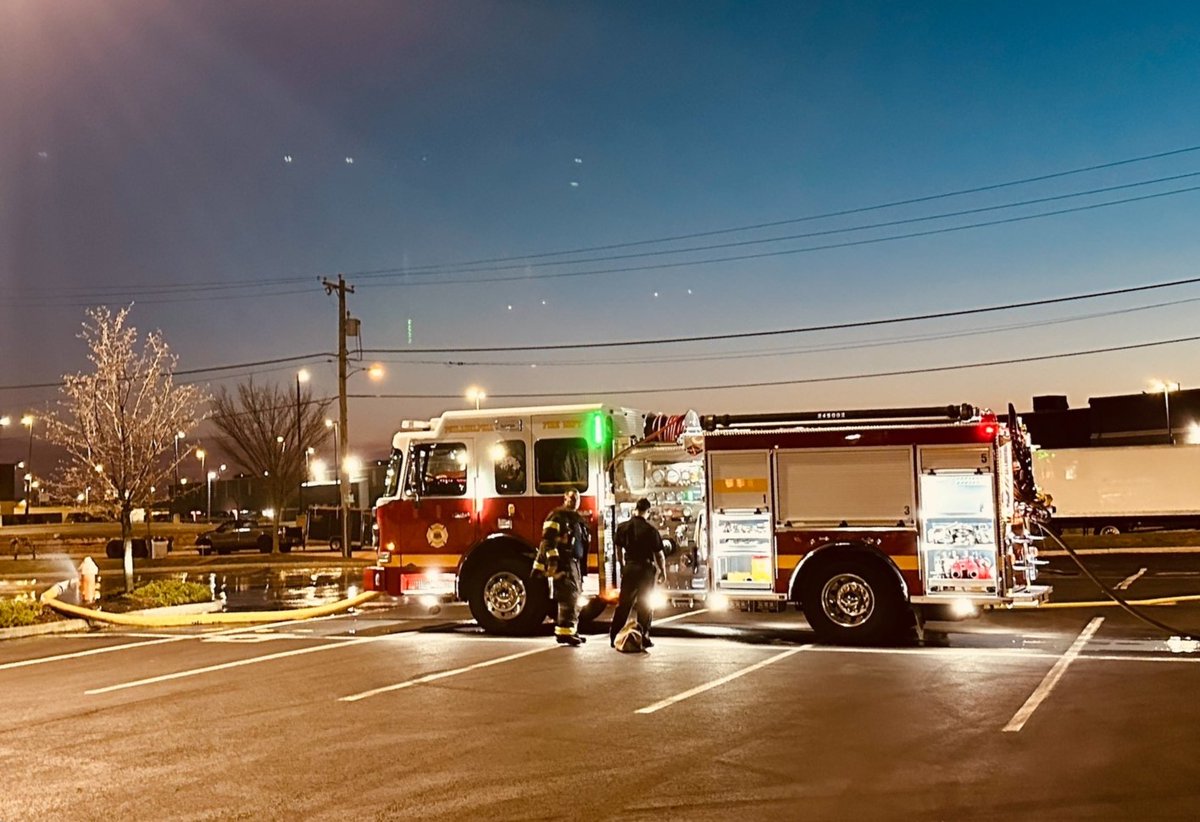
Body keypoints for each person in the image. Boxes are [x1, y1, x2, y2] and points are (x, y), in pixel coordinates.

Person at [533, 488, 590, 646]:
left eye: (577, 499)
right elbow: (548, 541)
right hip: (564, 562)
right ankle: (564, 633)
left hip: (574, 563)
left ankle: (571, 630)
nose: (574, 502)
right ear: (564, 499)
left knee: (575, 598)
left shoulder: (575, 518)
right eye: (571, 499)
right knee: (567, 598)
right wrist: (553, 562)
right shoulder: (557, 516)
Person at [610, 497, 667, 649]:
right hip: (646, 570)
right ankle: (644, 636)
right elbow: (659, 554)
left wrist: (622, 564)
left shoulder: (623, 527)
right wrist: (663, 571)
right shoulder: (650, 530)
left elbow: (618, 549)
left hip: (630, 568)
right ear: (647, 512)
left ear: (636, 509)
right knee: (645, 604)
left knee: (624, 604)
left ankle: (614, 635)